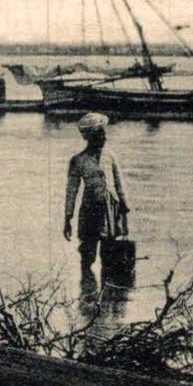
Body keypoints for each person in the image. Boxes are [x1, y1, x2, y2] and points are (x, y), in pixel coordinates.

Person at [62, 112, 128, 293]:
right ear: (90, 137)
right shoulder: (78, 161)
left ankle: (109, 298)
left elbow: (119, 183)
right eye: (100, 134)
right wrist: (68, 218)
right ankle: (88, 294)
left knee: (110, 254)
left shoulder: (110, 156)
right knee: (87, 254)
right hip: (90, 209)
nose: (105, 137)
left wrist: (125, 207)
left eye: (104, 133)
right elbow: (71, 191)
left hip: (111, 208)